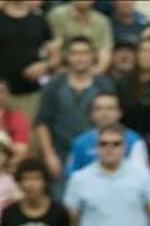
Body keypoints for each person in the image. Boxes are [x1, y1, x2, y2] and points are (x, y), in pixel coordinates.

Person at [34, 36, 116, 189]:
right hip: (61, 154)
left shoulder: (104, 85)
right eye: (75, 53)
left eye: (85, 53)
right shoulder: (55, 84)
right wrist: (49, 155)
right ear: (67, 57)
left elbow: (113, 123)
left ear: (93, 56)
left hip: (95, 154)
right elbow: (42, 122)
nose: (80, 58)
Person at [0, 0, 57, 117]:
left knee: (27, 133)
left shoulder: (39, 20)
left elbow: (55, 56)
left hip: (29, 94)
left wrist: (46, 65)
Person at [64, 91, 148, 177]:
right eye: (99, 109)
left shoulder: (134, 140)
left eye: (110, 108)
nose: (105, 113)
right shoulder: (80, 142)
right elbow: (72, 175)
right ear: (92, 114)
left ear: (120, 113)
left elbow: (141, 174)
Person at [47, 0, 114, 75]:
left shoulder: (102, 20)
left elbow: (105, 50)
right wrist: (61, 71)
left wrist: (97, 70)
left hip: (93, 70)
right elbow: (54, 46)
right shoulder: (57, 15)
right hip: (63, 67)